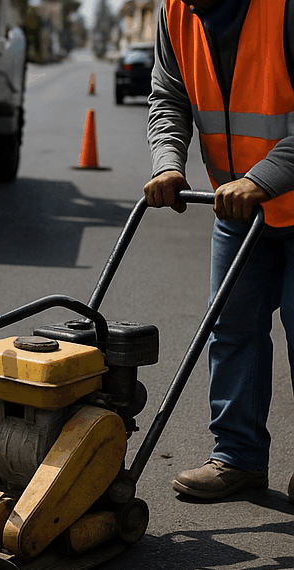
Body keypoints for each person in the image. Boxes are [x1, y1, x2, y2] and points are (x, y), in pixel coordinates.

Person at [145, 0, 294, 501]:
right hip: (240, 209)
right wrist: (168, 163)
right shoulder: (174, 12)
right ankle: (238, 458)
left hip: (275, 192)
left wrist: (261, 178)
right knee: (230, 329)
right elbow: (169, 96)